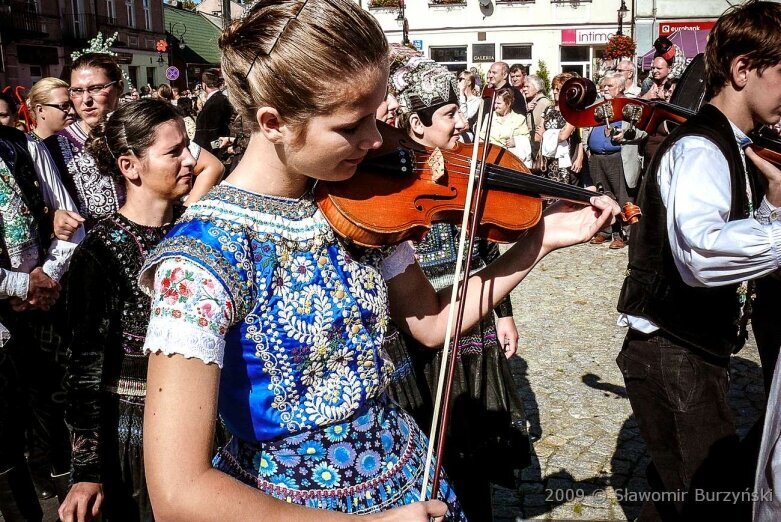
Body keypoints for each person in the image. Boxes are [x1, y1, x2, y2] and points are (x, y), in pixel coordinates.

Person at [137, 1, 618, 521]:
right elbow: (177, 493)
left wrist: (538, 241)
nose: (375, 140)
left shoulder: (360, 204)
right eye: (351, 125)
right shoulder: (200, 260)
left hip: (411, 476)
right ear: (272, 122)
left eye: (376, 114)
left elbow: (433, 323)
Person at [612, 2, 781, 519]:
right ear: (742, 70)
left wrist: (772, 204)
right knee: (707, 500)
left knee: (687, 487)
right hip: (671, 352)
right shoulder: (700, 149)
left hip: (690, 350)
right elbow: (703, 255)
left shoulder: (735, 145)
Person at [387, 55, 530, 521]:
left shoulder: (467, 168)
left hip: (471, 325)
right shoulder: (388, 183)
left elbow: (484, 244)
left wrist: (503, 311)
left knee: (472, 457)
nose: (462, 120)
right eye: (449, 113)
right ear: (415, 123)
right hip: (417, 332)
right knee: (429, 452)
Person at [57, 98, 195, 522]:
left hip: (199, 424)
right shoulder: (99, 254)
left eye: (188, 146)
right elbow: (82, 369)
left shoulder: (198, 233)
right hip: (134, 437)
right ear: (130, 166)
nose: (190, 158)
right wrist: (87, 471)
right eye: (174, 151)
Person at [0, 124, 67, 521]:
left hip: (43, 310)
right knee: (4, 438)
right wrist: (22, 284)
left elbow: (67, 218)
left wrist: (48, 279)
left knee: (55, 416)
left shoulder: (21, 143)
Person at [536, 72, 585, 186]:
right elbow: (538, 136)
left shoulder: (572, 111)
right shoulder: (548, 109)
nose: (554, 92)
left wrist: (579, 158)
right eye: (553, 88)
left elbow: (565, 135)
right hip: (547, 159)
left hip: (564, 160)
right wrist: (554, 135)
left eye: (558, 89)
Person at [480, 87, 531, 164]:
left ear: (508, 103)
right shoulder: (489, 116)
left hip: (510, 158)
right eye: (495, 103)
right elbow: (482, 138)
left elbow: (526, 138)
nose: (495, 106)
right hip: (489, 156)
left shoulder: (519, 119)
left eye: (499, 103)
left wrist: (516, 141)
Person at [193, 68, 234, 161]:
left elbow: (209, 133)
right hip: (219, 146)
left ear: (204, 84)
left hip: (211, 152)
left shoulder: (214, 103)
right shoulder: (223, 98)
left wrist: (210, 148)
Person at [522, 74, 551, 158]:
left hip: (539, 145)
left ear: (537, 87)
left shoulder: (544, 103)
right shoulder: (530, 102)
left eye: (527, 86)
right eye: (524, 86)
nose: (524, 89)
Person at [457, 69, 481, 142]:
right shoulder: (456, 98)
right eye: (458, 79)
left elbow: (465, 118)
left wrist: (461, 94)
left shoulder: (477, 101)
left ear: (469, 82)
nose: (458, 81)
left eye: (461, 79)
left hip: (466, 133)